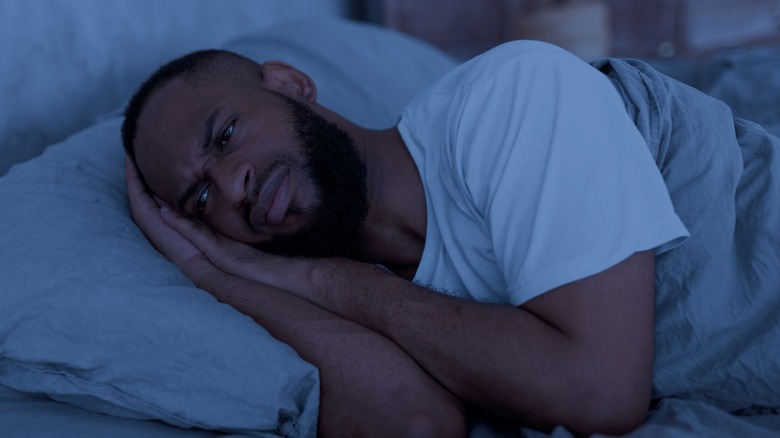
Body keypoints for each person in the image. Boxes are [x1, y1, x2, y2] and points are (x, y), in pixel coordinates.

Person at [121, 40, 780, 436]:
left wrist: (331, 283)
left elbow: (600, 392)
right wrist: (213, 277)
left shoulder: (511, 92)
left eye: (227, 135)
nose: (232, 184)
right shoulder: (352, 291)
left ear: (291, 85)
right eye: (199, 199)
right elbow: (414, 424)